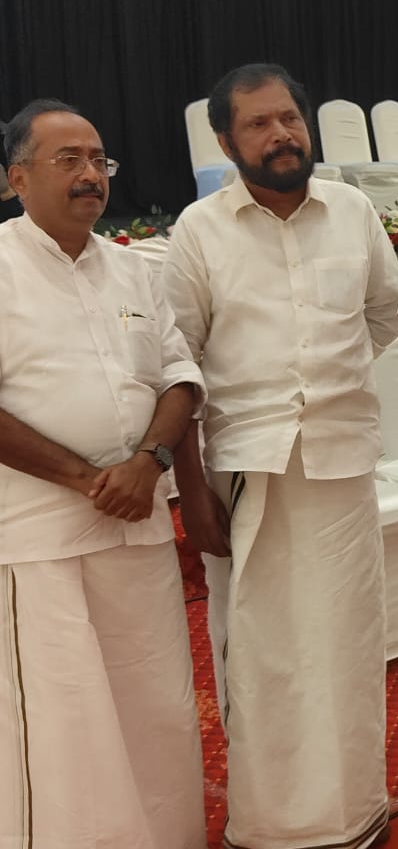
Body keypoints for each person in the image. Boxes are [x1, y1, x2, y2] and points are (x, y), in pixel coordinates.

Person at [163, 64, 398, 848]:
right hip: (248, 472)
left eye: (289, 118)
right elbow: (177, 366)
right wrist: (190, 491)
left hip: (342, 464)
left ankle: (355, 815)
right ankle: (273, 827)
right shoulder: (200, 230)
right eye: (259, 124)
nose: (281, 135)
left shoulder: (353, 211)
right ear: (226, 141)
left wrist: (327, 388)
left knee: (349, 646)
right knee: (264, 656)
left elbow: (382, 317)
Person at [0, 99, 206, 847]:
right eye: (69, 160)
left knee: (154, 708)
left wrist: (149, 462)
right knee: (67, 724)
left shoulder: (132, 267)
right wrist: (88, 479)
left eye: (99, 160)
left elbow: (180, 376)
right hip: (41, 542)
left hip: (137, 528)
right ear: (16, 179)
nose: (90, 174)